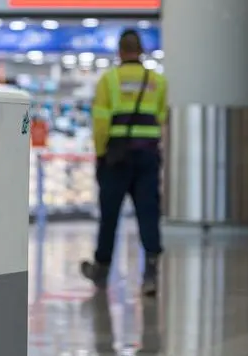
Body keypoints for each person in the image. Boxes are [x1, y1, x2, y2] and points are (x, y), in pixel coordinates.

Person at [80, 29, 168, 296]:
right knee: (148, 212)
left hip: (116, 158)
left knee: (110, 214)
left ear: (119, 51)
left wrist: (100, 152)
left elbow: (100, 122)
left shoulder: (109, 81)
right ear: (141, 51)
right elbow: (161, 117)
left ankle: (102, 269)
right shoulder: (157, 81)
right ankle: (151, 273)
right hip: (147, 157)